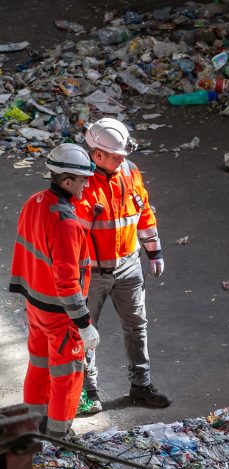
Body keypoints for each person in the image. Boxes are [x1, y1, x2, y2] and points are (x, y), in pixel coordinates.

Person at [75, 117, 171, 411]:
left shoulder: (129, 171)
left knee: (137, 326)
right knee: (84, 332)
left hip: (128, 264)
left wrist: (154, 250)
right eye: (116, 156)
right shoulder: (79, 181)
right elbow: (69, 233)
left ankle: (141, 386)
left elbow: (143, 212)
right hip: (90, 271)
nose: (121, 160)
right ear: (97, 154)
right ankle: (87, 392)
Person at [9, 144, 100, 437]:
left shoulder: (35, 202)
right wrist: (84, 324)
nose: (87, 186)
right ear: (67, 180)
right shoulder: (66, 223)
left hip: (35, 306)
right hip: (61, 316)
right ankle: (60, 438)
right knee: (66, 377)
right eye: (83, 180)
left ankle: (33, 427)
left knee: (39, 367)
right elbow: (67, 282)